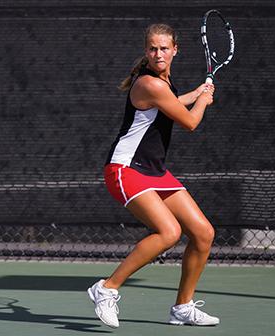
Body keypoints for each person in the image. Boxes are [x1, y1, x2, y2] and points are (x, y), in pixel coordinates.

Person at [87, 23, 219, 328]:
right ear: (146, 51)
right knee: (169, 232)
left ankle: (183, 307)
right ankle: (106, 288)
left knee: (203, 233)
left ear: (175, 50)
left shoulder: (163, 82)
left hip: (154, 171)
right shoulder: (151, 83)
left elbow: (169, 106)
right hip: (125, 168)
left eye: (164, 48)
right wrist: (203, 101)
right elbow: (189, 122)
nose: (158, 54)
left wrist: (197, 91)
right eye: (152, 48)